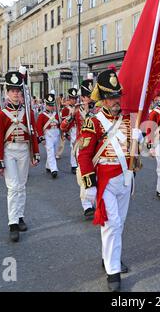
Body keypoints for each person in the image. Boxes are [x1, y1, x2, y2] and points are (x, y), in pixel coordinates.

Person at [77, 68, 143, 292]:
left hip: (126, 179)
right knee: (112, 223)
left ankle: (108, 257)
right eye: (111, 97)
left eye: (117, 96)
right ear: (103, 99)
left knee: (119, 224)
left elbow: (133, 152)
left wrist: (139, 139)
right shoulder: (93, 123)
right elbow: (84, 156)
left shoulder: (128, 121)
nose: (116, 101)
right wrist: (89, 186)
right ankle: (112, 270)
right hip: (104, 180)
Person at [0, 71, 40, 243]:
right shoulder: (1, 114)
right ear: (7, 93)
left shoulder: (27, 112)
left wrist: (35, 153)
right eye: (12, 90)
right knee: (13, 187)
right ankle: (12, 223)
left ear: (21, 92)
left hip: (23, 150)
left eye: (17, 90)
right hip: (9, 151)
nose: (15, 93)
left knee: (21, 185)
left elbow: (33, 133)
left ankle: (20, 216)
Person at [61, 79, 96, 219]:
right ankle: (87, 205)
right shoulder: (76, 111)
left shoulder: (98, 110)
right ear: (82, 97)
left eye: (92, 96)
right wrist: (70, 115)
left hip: (97, 148)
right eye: (87, 96)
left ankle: (95, 201)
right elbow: (63, 127)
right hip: (81, 147)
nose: (90, 99)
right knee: (83, 175)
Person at [36, 93, 61, 179]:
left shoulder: (56, 114)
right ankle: (54, 169)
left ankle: (48, 166)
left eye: (52, 105)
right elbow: (38, 127)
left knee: (53, 152)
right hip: (48, 135)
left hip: (56, 134)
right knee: (50, 152)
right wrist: (41, 137)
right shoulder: (42, 115)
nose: (51, 107)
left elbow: (60, 125)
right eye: (49, 105)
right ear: (45, 104)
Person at [61, 88, 79, 174]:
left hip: (80, 129)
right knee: (73, 147)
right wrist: (65, 133)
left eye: (75, 98)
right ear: (69, 98)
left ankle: (79, 163)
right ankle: (74, 165)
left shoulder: (80, 107)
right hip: (72, 130)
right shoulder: (65, 109)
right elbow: (63, 123)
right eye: (72, 98)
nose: (74, 100)